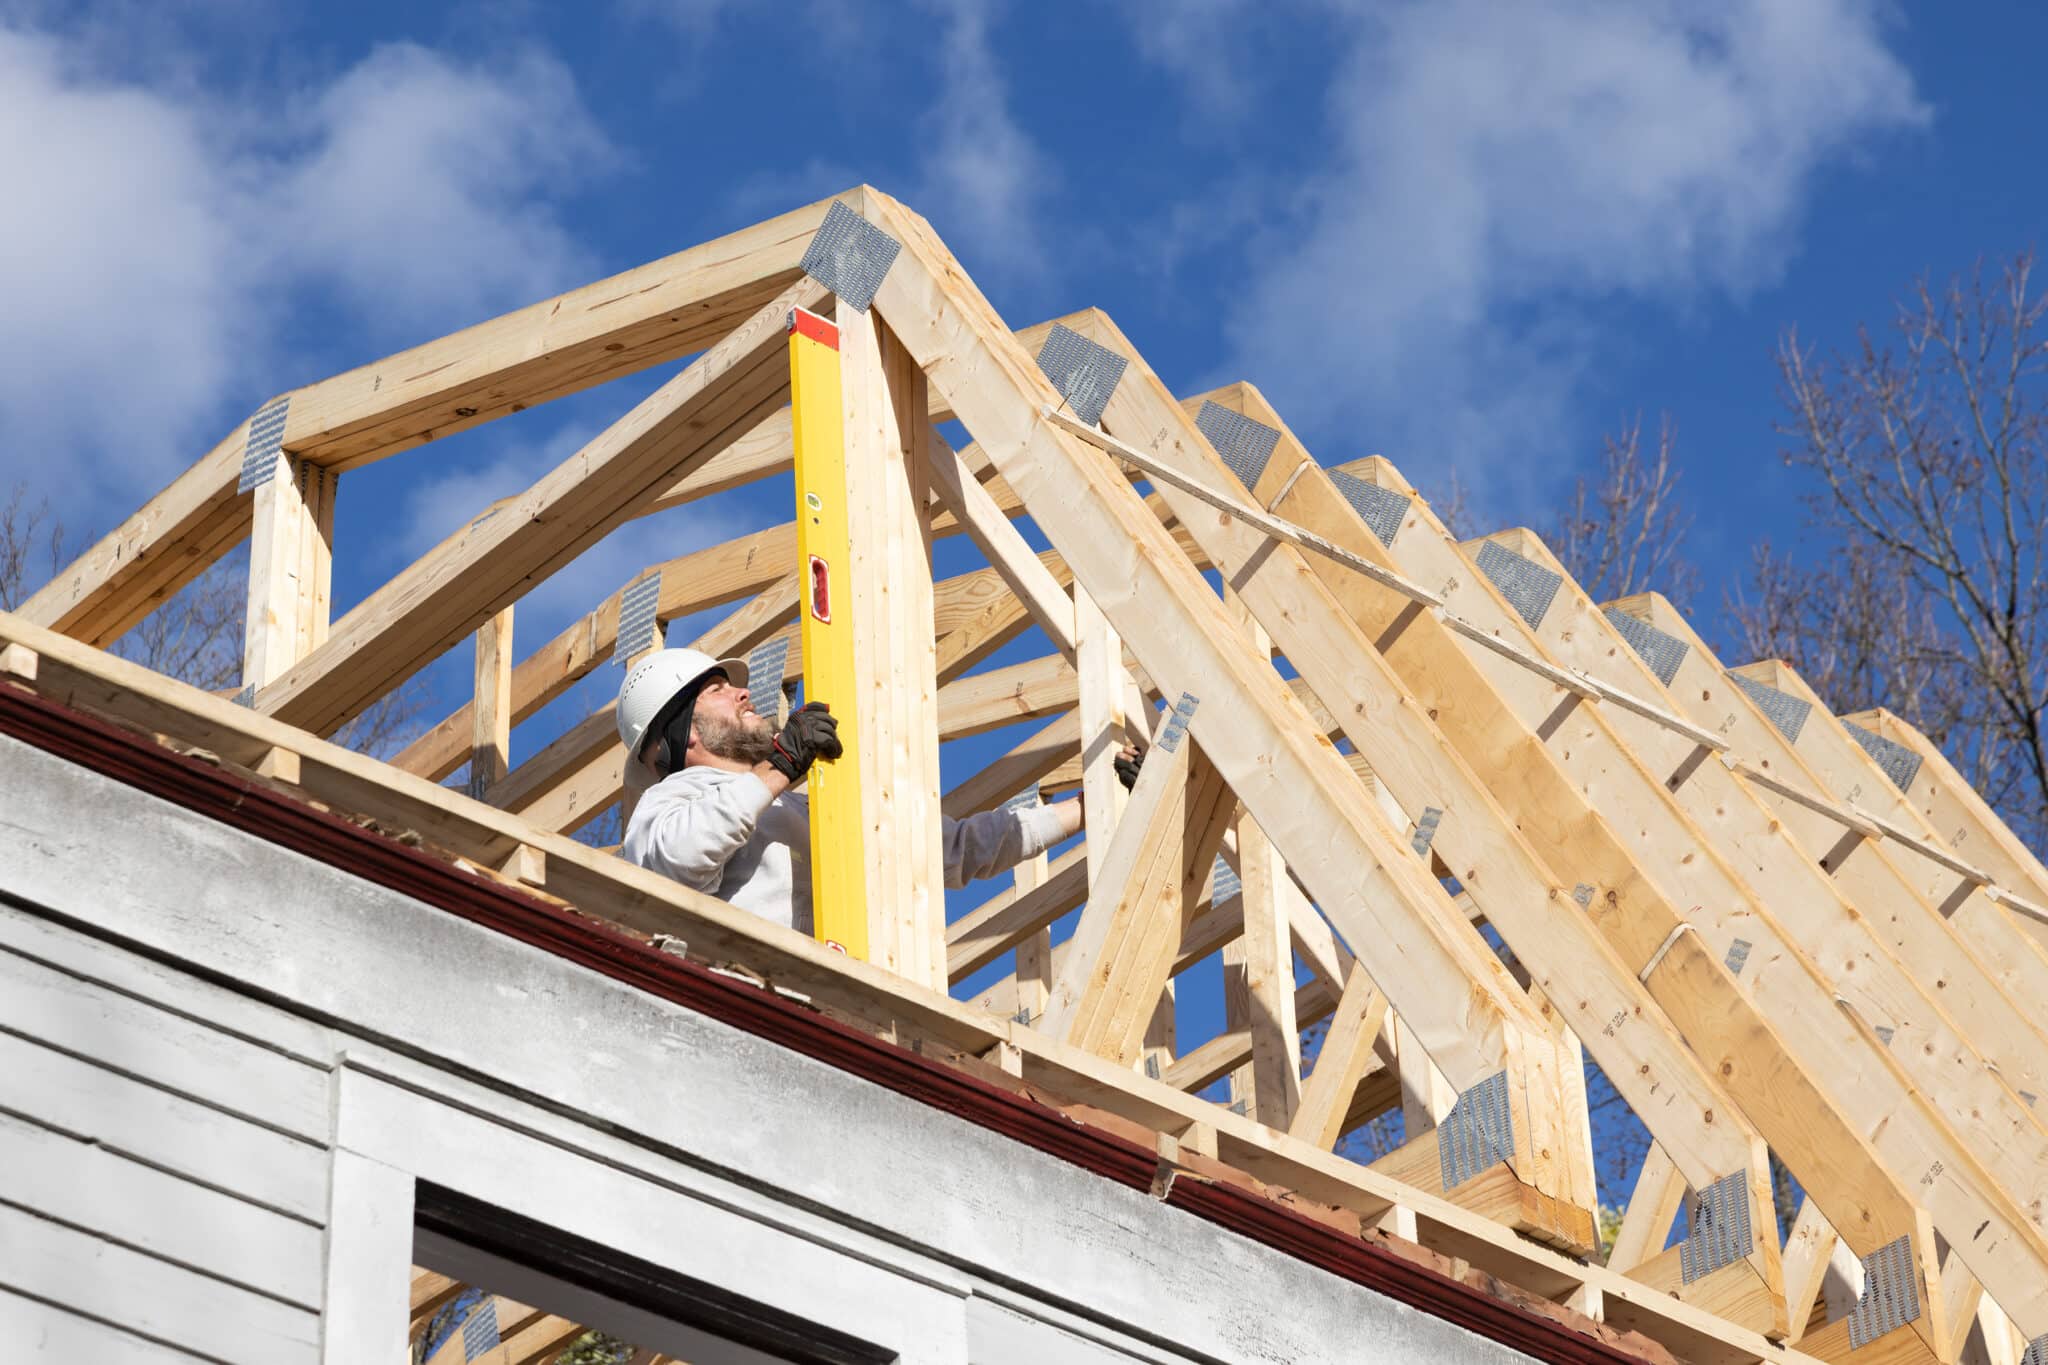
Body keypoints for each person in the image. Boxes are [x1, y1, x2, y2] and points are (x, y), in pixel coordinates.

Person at [617, 648, 1135, 935]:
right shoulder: (670, 802)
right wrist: (781, 766)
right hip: (738, 1008)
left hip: (834, 1012)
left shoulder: (802, 807)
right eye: (716, 690)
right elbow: (681, 859)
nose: (742, 690)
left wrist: (1090, 807)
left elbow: (950, 852)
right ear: (677, 733)